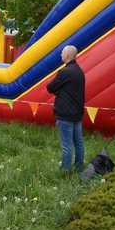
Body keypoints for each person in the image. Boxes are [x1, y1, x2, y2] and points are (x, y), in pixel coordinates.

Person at [47, 45, 85, 174]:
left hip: (66, 114)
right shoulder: (79, 71)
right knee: (78, 142)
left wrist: (59, 91)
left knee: (67, 145)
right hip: (77, 113)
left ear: (68, 55)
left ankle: (65, 171)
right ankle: (79, 167)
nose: (60, 55)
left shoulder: (65, 72)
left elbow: (50, 87)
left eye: (62, 53)